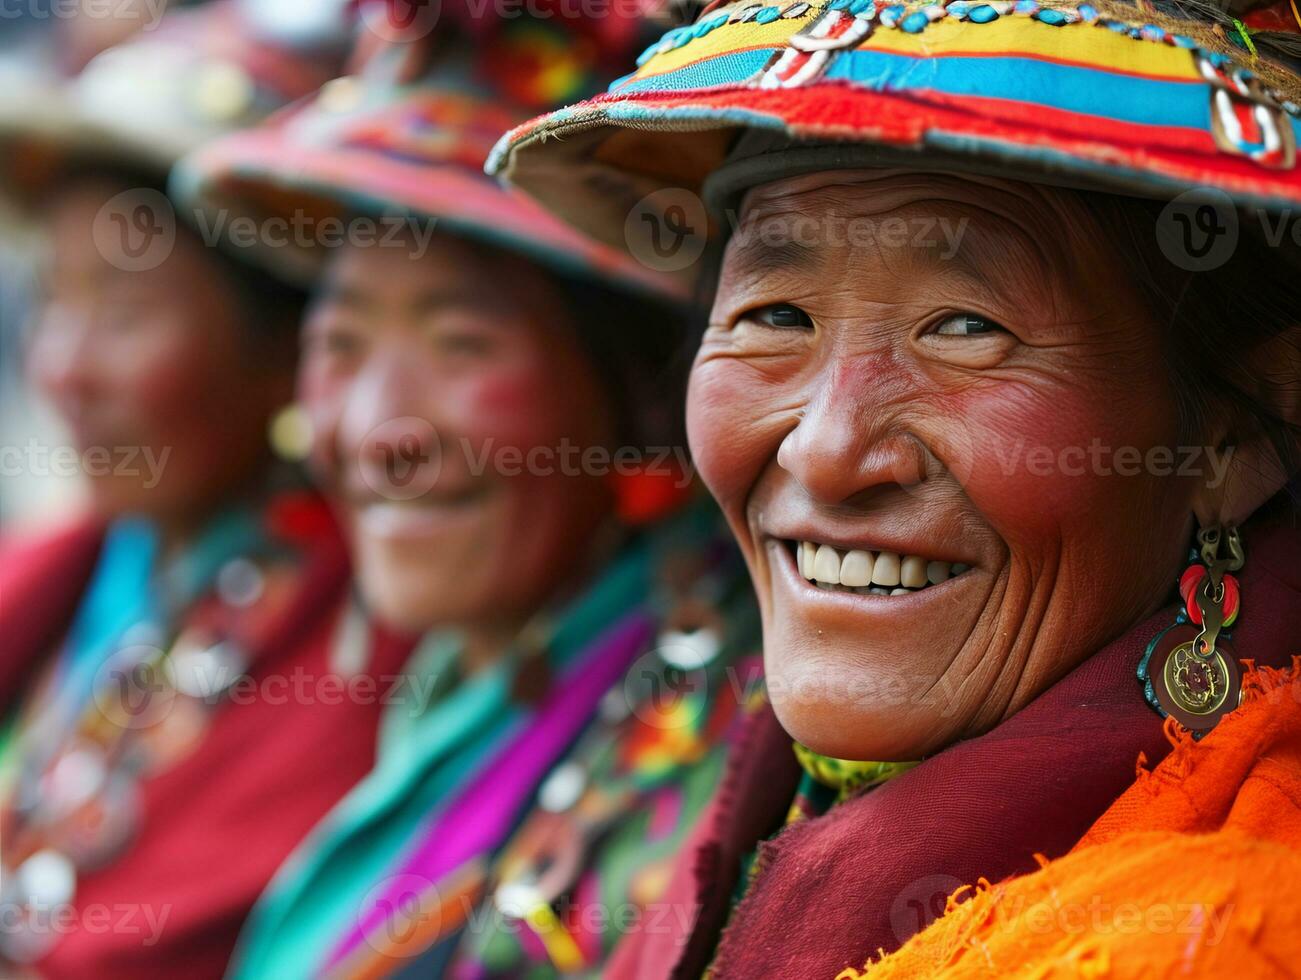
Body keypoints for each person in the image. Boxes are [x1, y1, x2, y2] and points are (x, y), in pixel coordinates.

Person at [489, 0, 1301, 975]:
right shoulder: (731, 789)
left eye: (962, 327)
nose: (826, 450)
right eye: (776, 312)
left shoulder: (1216, 931)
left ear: (1228, 435)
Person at [172, 4, 761, 977]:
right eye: (341, 345)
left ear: (643, 395)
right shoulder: (453, 675)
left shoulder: (719, 748)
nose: (374, 430)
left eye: (459, 344)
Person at [0, 6, 420, 977]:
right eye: (55, 298)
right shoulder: (63, 580)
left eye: (128, 310)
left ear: (287, 351)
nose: (63, 367)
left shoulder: (365, 640)